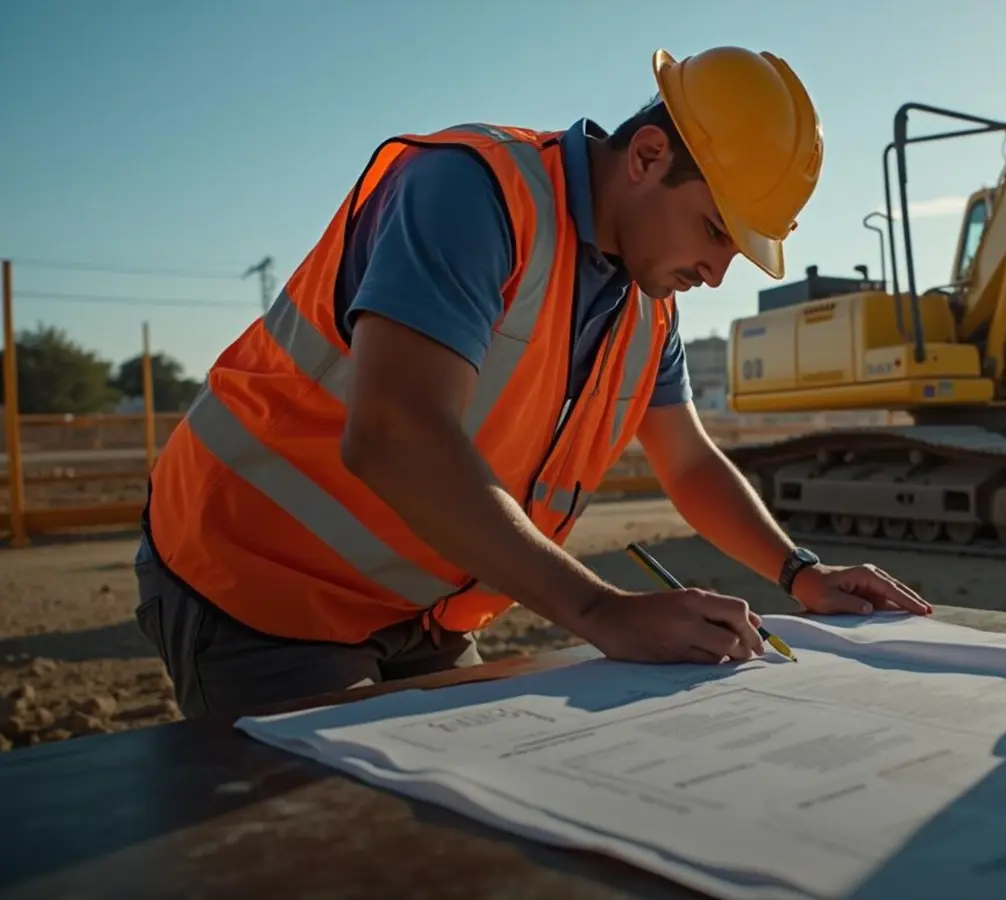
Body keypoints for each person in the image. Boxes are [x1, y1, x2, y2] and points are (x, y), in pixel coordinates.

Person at [132, 45, 933, 720]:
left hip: (429, 613)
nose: (719, 274)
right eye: (717, 231)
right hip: (263, 583)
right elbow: (395, 434)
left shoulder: (645, 304)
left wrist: (801, 573)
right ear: (648, 156)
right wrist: (600, 612)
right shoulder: (473, 193)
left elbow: (688, 463)